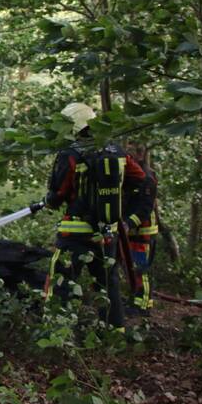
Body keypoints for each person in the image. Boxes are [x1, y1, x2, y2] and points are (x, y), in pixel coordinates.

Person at [42, 102, 148, 331]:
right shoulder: (116, 152)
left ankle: (54, 331)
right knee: (108, 285)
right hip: (106, 233)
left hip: (74, 232)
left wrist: (49, 201)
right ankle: (114, 332)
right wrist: (124, 211)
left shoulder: (70, 154)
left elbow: (57, 194)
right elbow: (141, 178)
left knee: (61, 279)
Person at [124, 145, 158, 315]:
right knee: (131, 268)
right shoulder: (129, 176)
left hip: (143, 232)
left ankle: (144, 306)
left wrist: (128, 223)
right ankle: (135, 301)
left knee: (141, 269)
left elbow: (145, 209)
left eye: (134, 152)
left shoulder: (148, 177)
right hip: (129, 232)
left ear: (141, 154)